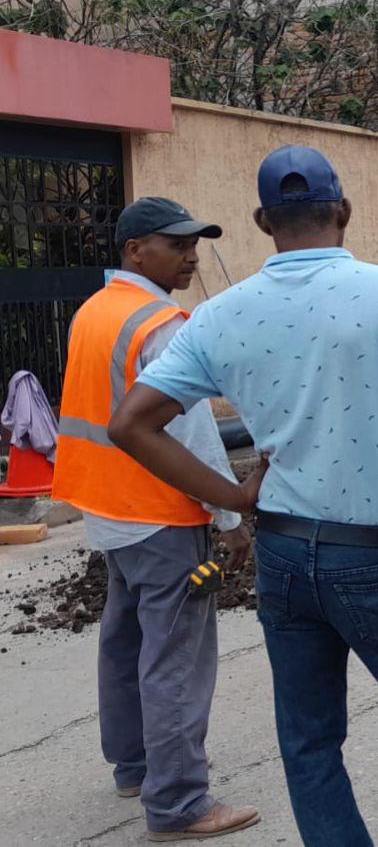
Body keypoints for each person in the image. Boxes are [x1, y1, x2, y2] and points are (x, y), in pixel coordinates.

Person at [107, 146, 378, 847]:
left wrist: (235, 499)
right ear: (345, 212)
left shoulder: (217, 316)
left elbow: (130, 425)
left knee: (310, 743)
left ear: (264, 221)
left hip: (287, 558)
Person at [51, 197, 262, 842]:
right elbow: (194, 434)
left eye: (195, 244)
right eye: (177, 245)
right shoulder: (162, 323)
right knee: (174, 658)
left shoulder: (96, 310)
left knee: (126, 644)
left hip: (111, 512)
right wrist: (230, 514)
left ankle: (135, 766)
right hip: (163, 516)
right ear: (136, 251)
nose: (191, 256)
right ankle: (178, 803)